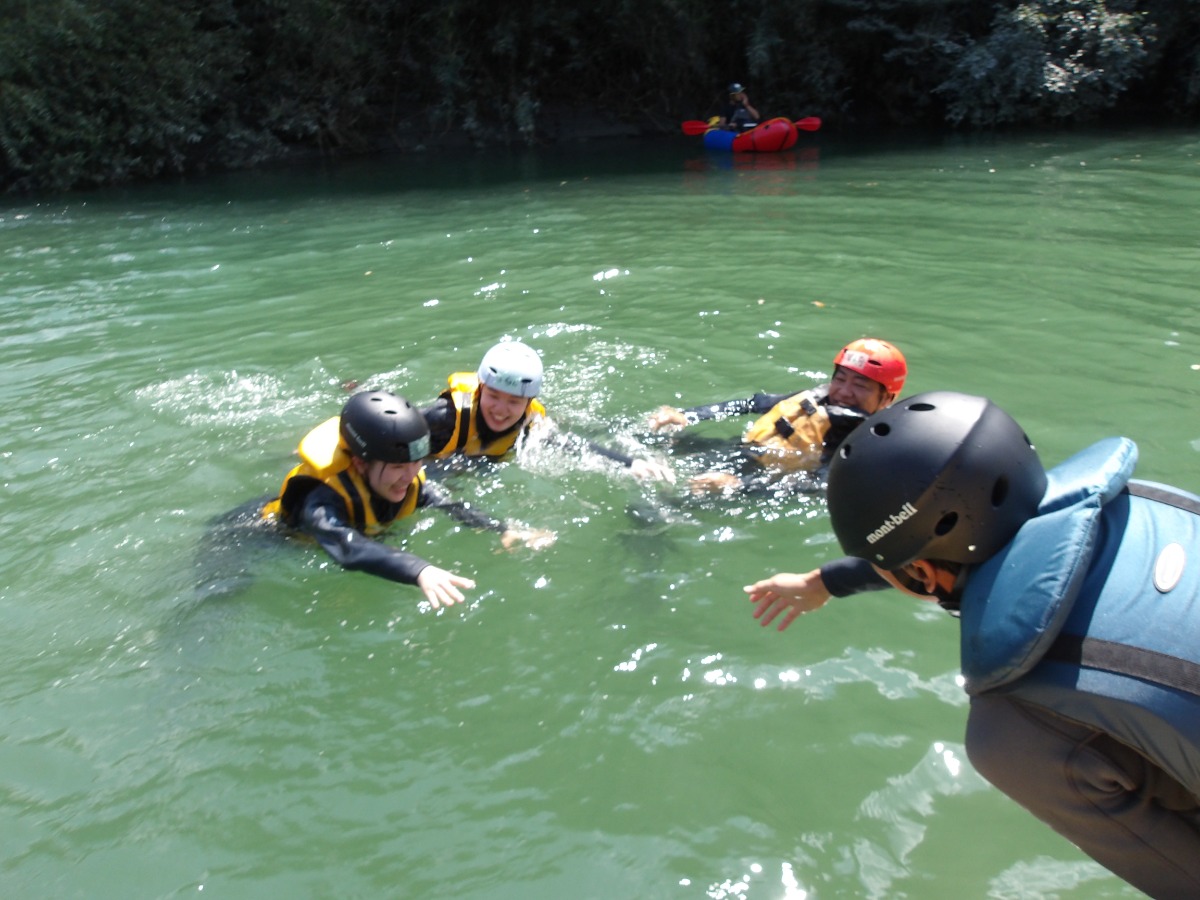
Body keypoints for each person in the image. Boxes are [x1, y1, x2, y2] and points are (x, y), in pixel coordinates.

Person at [747, 391, 1200, 897]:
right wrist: (826, 581)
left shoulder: (1016, 728)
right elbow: (992, 546)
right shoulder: (1150, 503)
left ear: (918, 572)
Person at [261, 390, 551, 611]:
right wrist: (418, 569)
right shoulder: (321, 502)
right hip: (263, 539)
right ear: (361, 464)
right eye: (398, 466)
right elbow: (348, 548)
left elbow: (450, 505)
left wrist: (504, 529)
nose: (410, 475)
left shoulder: (411, 480)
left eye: (416, 463)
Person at [647, 337, 906, 495]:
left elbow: (819, 488)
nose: (844, 392)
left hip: (762, 484)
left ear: (887, 398)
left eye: (860, 386)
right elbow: (750, 404)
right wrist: (687, 415)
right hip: (744, 450)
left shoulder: (869, 445)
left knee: (659, 504)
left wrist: (738, 485)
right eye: (840, 379)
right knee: (647, 442)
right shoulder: (816, 399)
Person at [420, 340, 673, 482]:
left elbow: (575, 446)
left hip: (483, 463)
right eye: (494, 396)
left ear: (529, 401)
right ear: (481, 388)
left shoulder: (530, 423)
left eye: (514, 402)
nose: (500, 410)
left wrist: (631, 463)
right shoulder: (444, 417)